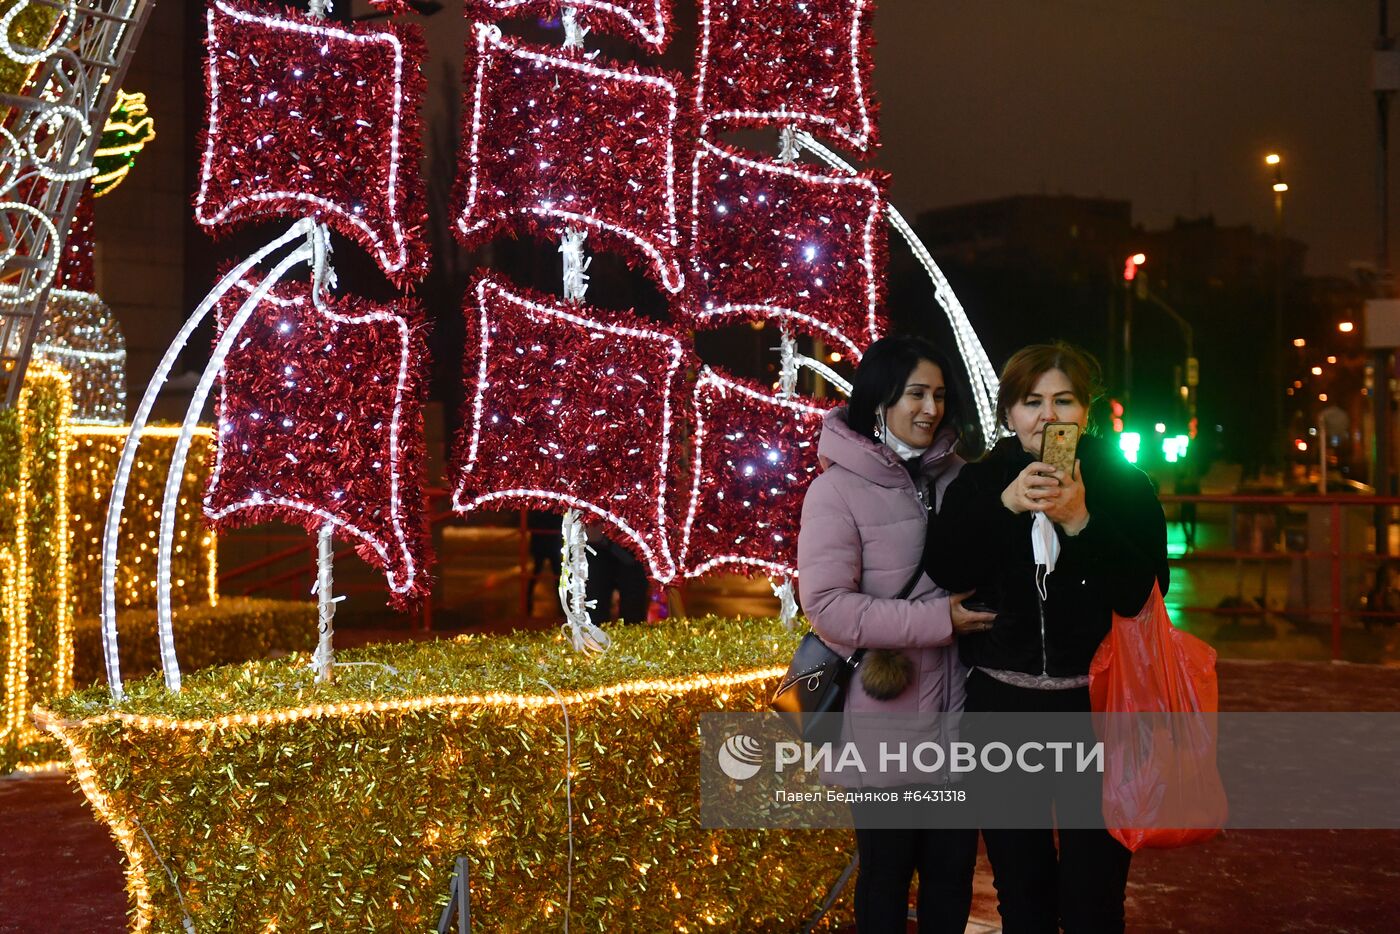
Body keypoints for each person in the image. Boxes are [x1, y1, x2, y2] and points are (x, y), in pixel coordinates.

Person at [926, 342, 1169, 934]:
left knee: (1094, 898)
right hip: (1002, 709)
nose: (1048, 415)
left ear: (1087, 411)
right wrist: (1006, 508)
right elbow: (949, 570)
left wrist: (1082, 521)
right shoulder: (979, 484)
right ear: (1009, 412)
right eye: (1031, 401)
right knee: (1023, 894)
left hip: (1100, 709)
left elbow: (1143, 595)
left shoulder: (1126, 485)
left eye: (1063, 400)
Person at [797, 334, 995, 934]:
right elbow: (828, 606)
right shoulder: (836, 489)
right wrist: (942, 621)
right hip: (882, 717)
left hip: (961, 718)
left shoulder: (964, 480)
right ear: (880, 399)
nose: (931, 408)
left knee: (951, 873)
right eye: (915, 393)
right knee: (886, 874)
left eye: (938, 394)